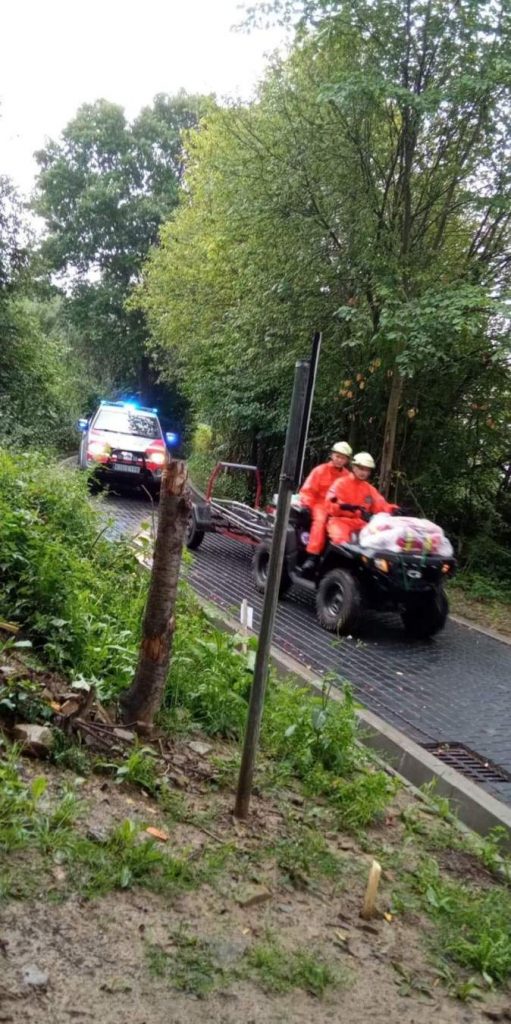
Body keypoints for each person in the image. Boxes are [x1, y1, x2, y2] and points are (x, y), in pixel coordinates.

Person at [299, 441, 353, 573]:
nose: (339, 460)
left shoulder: (347, 476)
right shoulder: (320, 471)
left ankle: (344, 559)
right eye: (337, 456)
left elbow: (351, 495)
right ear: (332, 455)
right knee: (320, 521)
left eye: (343, 457)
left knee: (352, 524)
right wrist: (306, 505)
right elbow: (308, 491)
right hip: (320, 504)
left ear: (347, 460)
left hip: (337, 507)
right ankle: (312, 556)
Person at [325, 451, 398, 545]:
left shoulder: (369, 489)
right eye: (361, 468)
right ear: (353, 467)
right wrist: (343, 507)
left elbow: (381, 505)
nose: (364, 472)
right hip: (340, 522)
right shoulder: (341, 483)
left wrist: (395, 510)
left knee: (378, 541)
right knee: (342, 543)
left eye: (367, 470)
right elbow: (330, 503)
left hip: (361, 523)